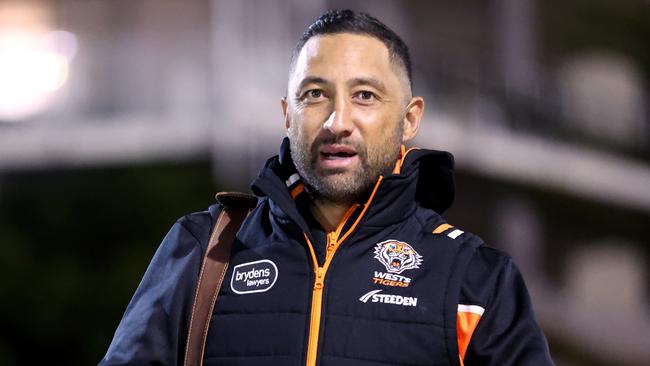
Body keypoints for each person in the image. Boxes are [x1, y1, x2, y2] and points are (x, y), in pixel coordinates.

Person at [100, 9, 555, 366]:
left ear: (410, 118)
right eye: (314, 94)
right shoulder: (205, 248)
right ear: (287, 113)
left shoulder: (474, 277)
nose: (338, 122)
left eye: (365, 96)